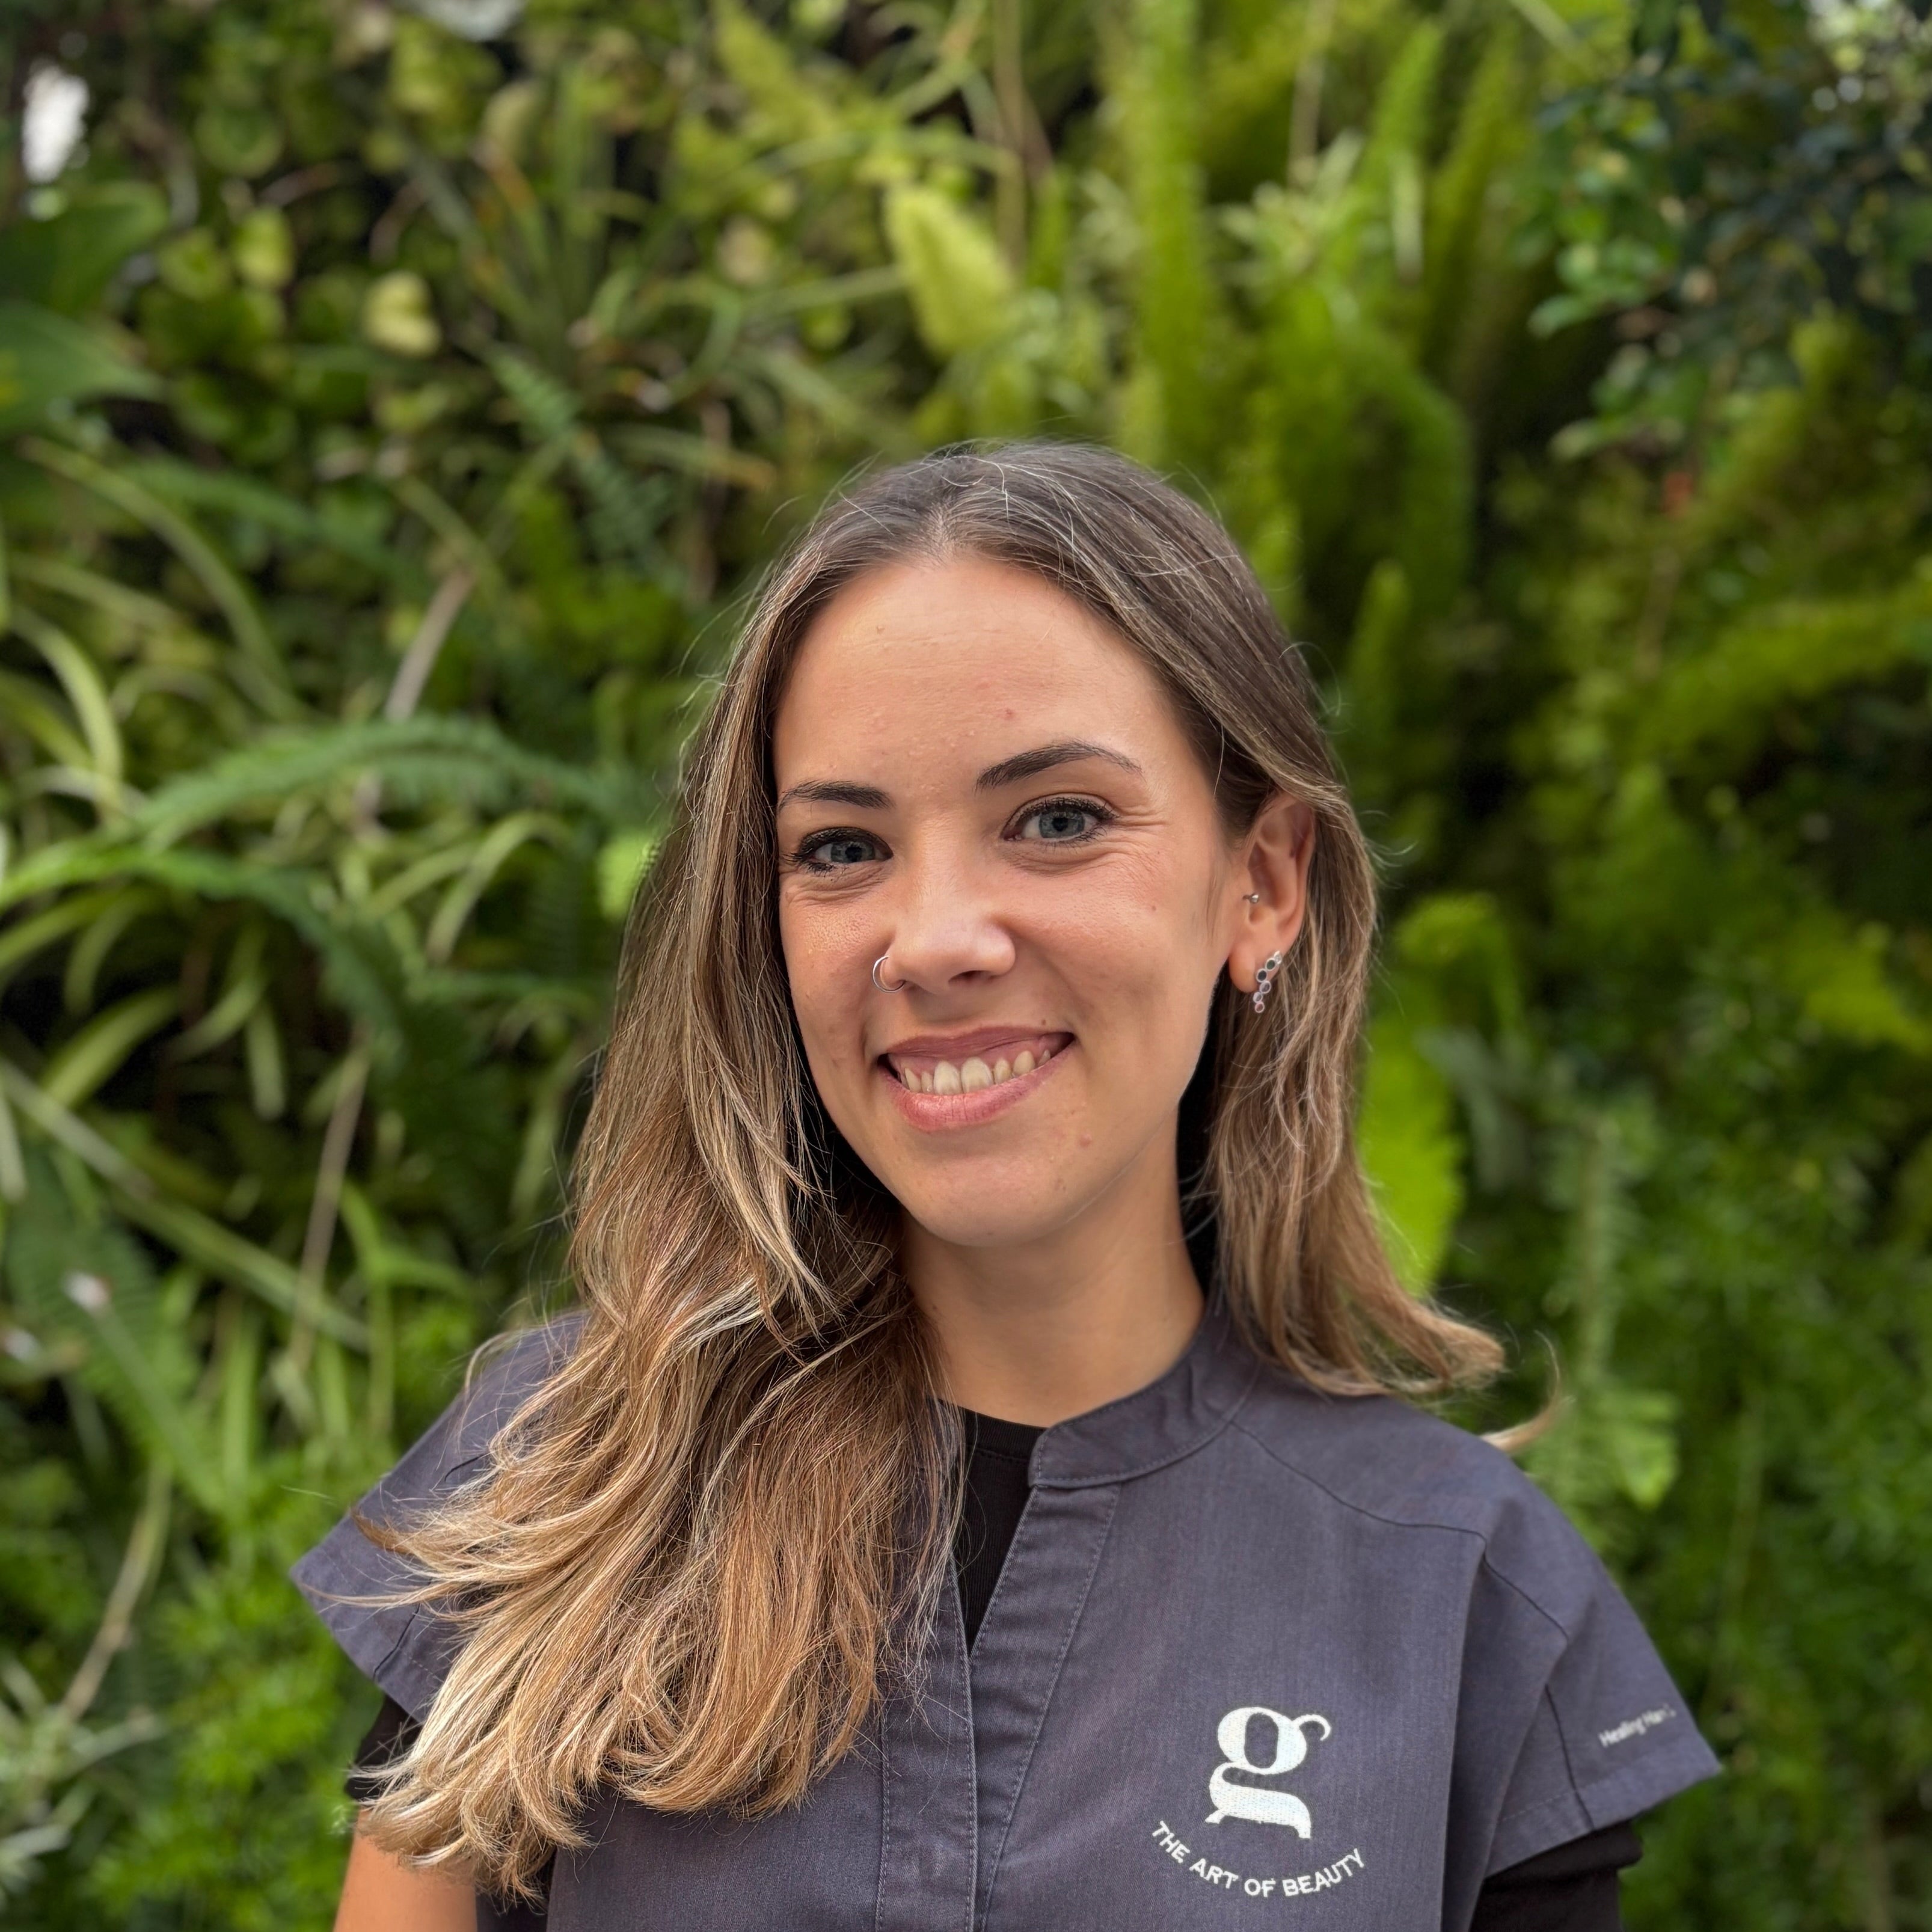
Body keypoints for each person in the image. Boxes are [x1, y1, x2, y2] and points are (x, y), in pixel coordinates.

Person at [298, 443, 1718, 1932]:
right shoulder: (555, 1484)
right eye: (841, 847)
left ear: (1262, 882)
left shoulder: (1464, 1599)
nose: (933, 938)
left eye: (1055, 819)